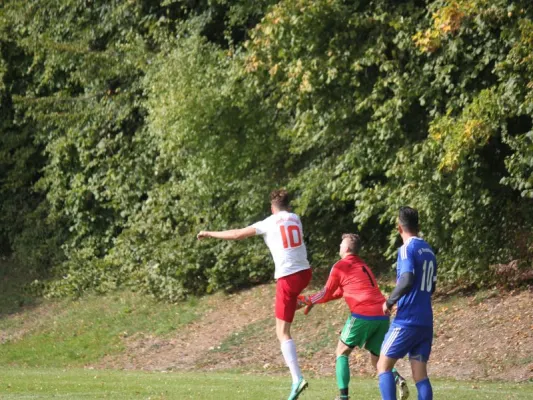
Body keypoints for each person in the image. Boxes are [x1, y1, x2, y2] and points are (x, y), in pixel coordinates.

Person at [197, 189, 312, 400]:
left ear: (272, 208)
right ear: (288, 206)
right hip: (305, 273)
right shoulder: (296, 218)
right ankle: (305, 299)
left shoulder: (269, 222)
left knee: (282, 331)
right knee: (289, 303)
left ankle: (297, 379)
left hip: (287, 276)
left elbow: (236, 234)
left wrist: (209, 233)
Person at [298, 234, 409, 400]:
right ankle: (397, 378)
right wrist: (315, 302)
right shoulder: (363, 266)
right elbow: (338, 292)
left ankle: (343, 397)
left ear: (347, 248)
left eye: (341, 244)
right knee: (378, 359)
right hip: (382, 315)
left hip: (363, 315)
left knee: (341, 352)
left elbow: (325, 292)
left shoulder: (340, 266)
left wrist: (308, 300)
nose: (339, 246)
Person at [377, 206, 437, 400]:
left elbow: (407, 278)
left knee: (383, 366)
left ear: (398, 227)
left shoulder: (406, 249)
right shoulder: (429, 250)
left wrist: (389, 301)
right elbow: (432, 287)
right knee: (420, 375)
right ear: (417, 226)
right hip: (425, 321)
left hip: (407, 320)